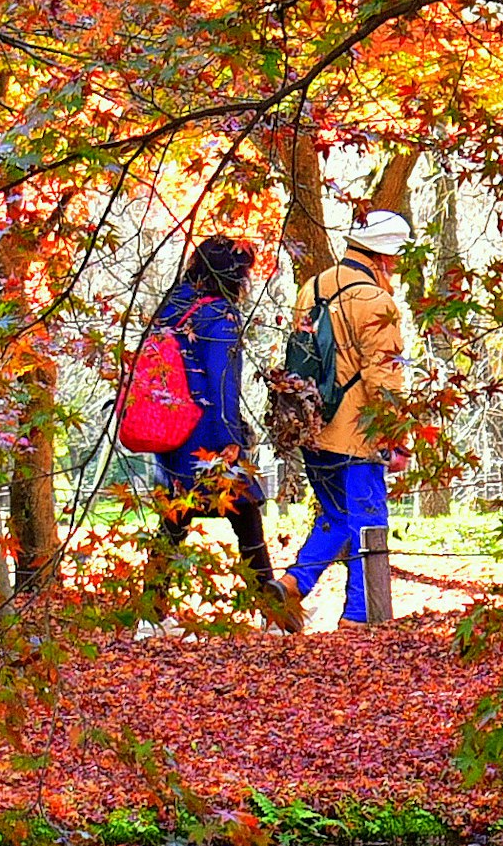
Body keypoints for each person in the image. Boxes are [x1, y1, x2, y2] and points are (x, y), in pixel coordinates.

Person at [139, 236, 299, 631]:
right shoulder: (219, 315)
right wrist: (232, 436)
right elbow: (222, 382)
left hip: (170, 432)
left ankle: (149, 613)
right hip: (209, 435)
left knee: (173, 520)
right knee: (246, 516)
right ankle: (275, 614)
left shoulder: (172, 306)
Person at [288, 206, 415, 625]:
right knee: (367, 524)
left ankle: (291, 586)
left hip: (311, 426)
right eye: (395, 257)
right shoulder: (376, 301)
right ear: (382, 256)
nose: (396, 266)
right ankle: (362, 615)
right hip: (358, 435)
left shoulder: (312, 287)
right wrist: (395, 437)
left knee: (336, 517)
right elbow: (385, 376)